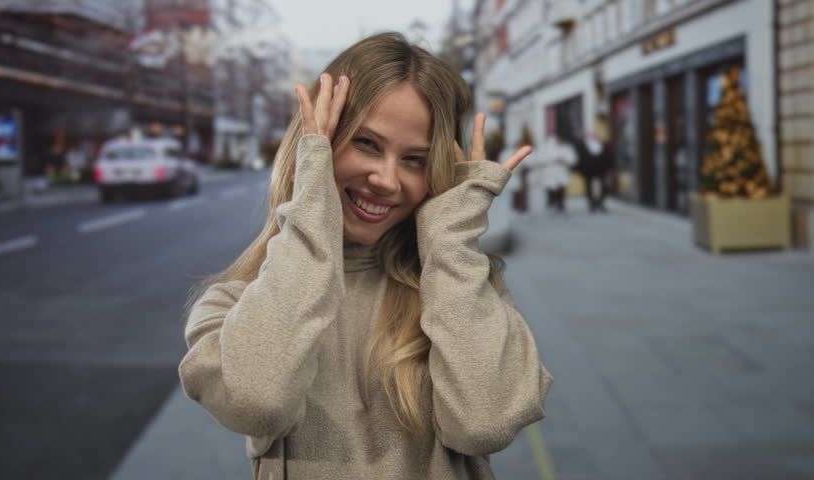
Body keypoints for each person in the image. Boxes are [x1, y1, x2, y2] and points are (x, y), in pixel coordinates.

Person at [178, 32, 552, 480]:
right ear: (317, 145)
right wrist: (312, 206)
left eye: (415, 159)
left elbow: (484, 426)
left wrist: (452, 241)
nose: (387, 180)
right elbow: (257, 402)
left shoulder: (462, 291)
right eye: (367, 144)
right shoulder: (232, 305)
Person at [572, 130, 613, 213]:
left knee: (603, 186)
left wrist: (609, 168)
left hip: (601, 168)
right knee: (588, 186)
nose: (592, 136)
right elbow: (579, 158)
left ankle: (601, 203)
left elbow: (608, 157)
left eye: (594, 135)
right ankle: (592, 203)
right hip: (589, 169)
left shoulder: (603, 144)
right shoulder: (582, 145)